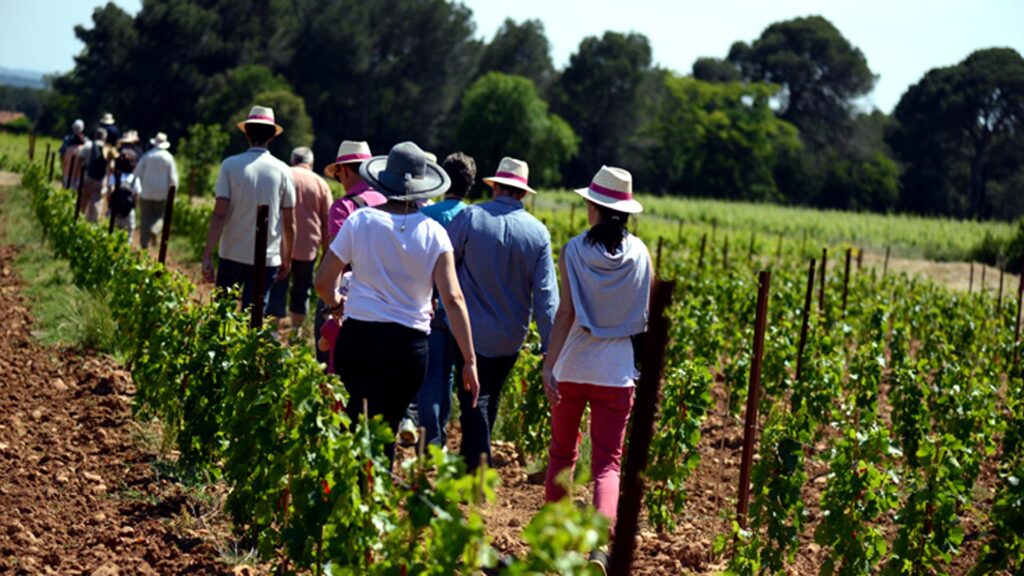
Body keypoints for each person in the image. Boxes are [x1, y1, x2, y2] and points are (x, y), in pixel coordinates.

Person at [313, 142, 479, 463]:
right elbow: (454, 299)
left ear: (383, 181)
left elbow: (323, 281)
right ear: (422, 185)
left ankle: (352, 497)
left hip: (360, 337)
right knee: (388, 427)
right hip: (409, 348)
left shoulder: (360, 221)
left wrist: (336, 305)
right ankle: (379, 492)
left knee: (356, 423)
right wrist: (469, 360)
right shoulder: (434, 233)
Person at [542, 166, 651, 571]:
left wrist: (548, 365)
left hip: (573, 365)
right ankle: (600, 551)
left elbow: (566, 312)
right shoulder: (640, 253)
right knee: (607, 462)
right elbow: (645, 317)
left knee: (562, 454)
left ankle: (554, 543)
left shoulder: (573, 250)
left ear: (594, 207)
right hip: (617, 370)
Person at [447, 156, 558, 471]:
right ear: (522, 193)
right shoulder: (538, 234)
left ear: (495, 186)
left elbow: (445, 265)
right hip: (511, 337)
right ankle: (469, 464)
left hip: (468, 332)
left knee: (474, 401)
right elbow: (547, 296)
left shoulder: (470, 217)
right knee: (488, 397)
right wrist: (551, 347)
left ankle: (477, 470)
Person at [398, 152, 477, 448]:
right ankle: (440, 436)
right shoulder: (473, 217)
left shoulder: (427, 216)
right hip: (462, 310)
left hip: (430, 305)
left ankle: (431, 438)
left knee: (431, 377)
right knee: (450, 376)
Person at [202, 106, 296, 311]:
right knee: (254, 318)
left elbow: (219, 213)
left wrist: (207, 254)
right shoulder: (283, 170)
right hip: (267, 257)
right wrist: (287, 259)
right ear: (272, 136)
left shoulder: (229, 165)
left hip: (232, 253)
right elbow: (290, 223)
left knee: (222, 314)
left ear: (247, 133)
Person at [314, 140, 386, 368]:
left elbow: (337, 258)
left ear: (344, 170)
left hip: (351, 294)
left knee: (332, 363)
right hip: (386, 293)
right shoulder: (388, 201)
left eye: (339, 175)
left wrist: (331, 307)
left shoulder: (343, 207)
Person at [267, 147, 331, 336]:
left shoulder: (282, 175)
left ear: (292, 160)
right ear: (311, 163)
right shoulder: (321, 183)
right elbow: (327, 223)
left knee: (277, 289)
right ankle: (296, 333)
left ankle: (273, 335)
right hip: (308, 248)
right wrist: (326, 253)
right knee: (302, 290)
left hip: (280, 246)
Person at [134, 132, 179, 249]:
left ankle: (144, 245)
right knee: (159, 216)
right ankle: (155, 229)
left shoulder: (147, 156)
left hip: (146, 192)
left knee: (145, 218)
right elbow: (173, 178)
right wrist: (174, 193)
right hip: (161, 193)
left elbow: (137, 174)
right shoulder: (169, 158)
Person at [76, 127, 110, 222]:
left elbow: (79, 161)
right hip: (99, 180)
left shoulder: (88, 145)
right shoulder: (107, 149)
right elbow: (110, 167)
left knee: (82, 202)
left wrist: (78, 176)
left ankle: (79, 222)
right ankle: (92, 224)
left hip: (86, 178)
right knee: (95, 204)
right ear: (104, 137)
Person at [107, 151, 139, 238]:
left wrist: (110, 206)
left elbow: (109, 194)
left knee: (111, 236)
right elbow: (136, 197)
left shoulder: (114, 176)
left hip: (114, 212)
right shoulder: (135, 179)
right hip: (128, 213)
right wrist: (133, 207)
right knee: (128, 237)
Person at [61, 120, 86, 190]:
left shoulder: (67, 141)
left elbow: (63, 158)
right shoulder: (84, 145)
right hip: (78, 175)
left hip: (67, 172)